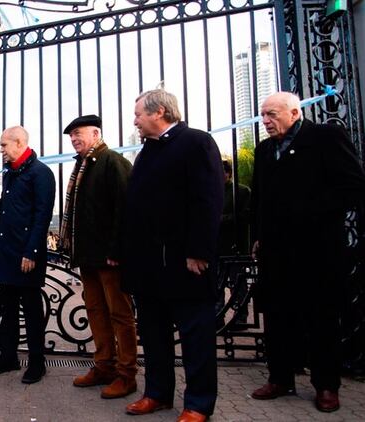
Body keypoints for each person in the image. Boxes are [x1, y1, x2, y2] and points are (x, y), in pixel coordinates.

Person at [248, 92, 365, 413]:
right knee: (278, 316)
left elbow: (353, 185)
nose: (266, 121)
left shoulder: (326, 137)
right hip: (276, 251)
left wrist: (310, 213)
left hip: (318, 250)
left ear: (295, 113)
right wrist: (258, 236)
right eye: (263, 115)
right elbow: (259, 198)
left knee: (322, 317)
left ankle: (326, 385)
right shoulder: (265, 149)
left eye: (272, 114)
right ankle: (280, 377)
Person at [122, 89, 223, 422]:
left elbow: (207, 200)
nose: (134, 120)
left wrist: (199, 250)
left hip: (185, 261)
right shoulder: (147, 152)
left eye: (138, 114)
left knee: (196, 336)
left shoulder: (196, 142)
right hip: (150, 265)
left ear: (159, 112)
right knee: (153, 334)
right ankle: (157, 393)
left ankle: (198, 403)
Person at [58, 114, 138, 399]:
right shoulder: (83, 166)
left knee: (120, 314)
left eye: (79, 133)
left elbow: (126, 210)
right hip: (89, 256)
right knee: (96, 312)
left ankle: (127, 374)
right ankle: (104, 366)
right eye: (71, 136)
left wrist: (117, 250)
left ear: (95, 133)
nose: (74, 139)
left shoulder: (112, 162)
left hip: (109, 257)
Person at [0, 126, 55, 384]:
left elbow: (41, 217)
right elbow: (12, 211)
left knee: (32, 310)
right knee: (6, 308)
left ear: (19, 143)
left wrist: (31, 252)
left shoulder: (41, 173)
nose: (1, 150)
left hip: (26, 255)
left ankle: (37, 363)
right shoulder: (12, 173)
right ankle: (8, 357)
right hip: (8, 253)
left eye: (4, 145)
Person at [216, 159, 251, 326]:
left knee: (237, 282)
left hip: (234, 245)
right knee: (217, 284)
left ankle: (240, 316)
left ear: (228, 173)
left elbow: (245, 216)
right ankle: (218, 316)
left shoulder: (242, 191)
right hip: (215, 246)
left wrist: (220, 220)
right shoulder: (211, 192)